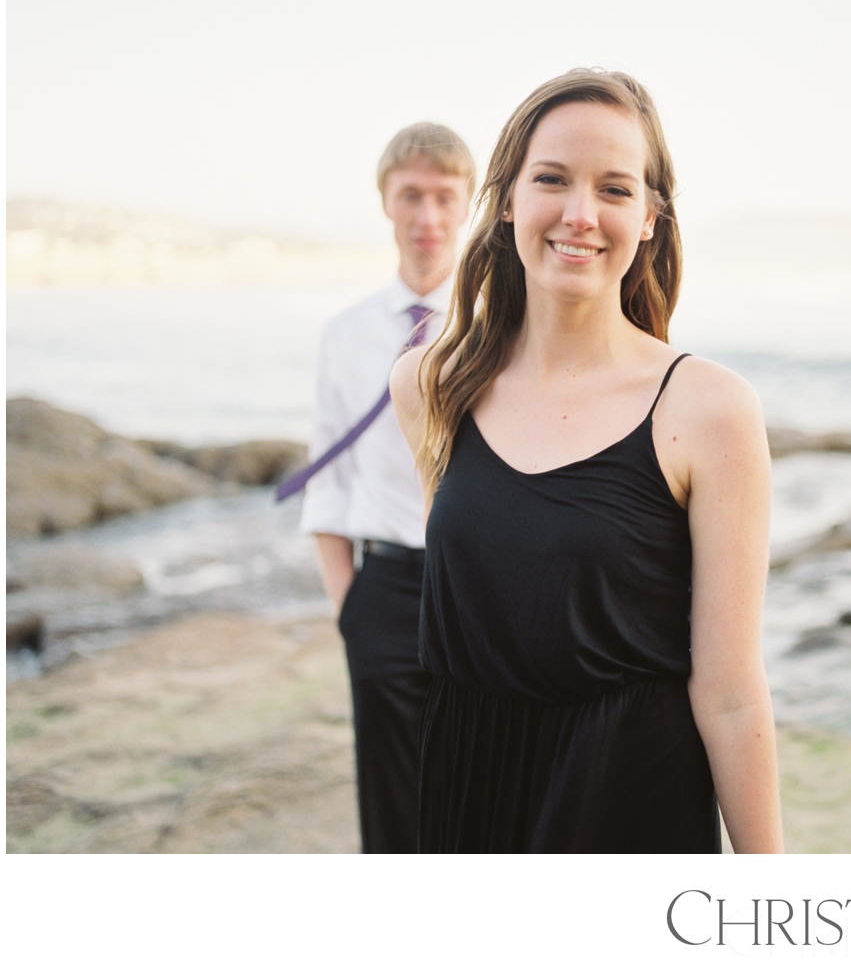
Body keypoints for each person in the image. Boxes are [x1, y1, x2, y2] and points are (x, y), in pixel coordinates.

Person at [391, 70, 783, 853]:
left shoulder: (708, 411)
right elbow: (477, 611)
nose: (579, 214)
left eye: (613, 188)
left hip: (628, 808)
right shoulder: (431, 384)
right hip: (469, 797)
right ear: (506, 200)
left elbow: (733, 693)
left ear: (648, 219)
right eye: (552, 180)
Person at [297, 122, 474, 853]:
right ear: (385, 203)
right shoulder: (344, 334)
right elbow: (327, 481)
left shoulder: (503, 322)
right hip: (386, 589)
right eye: (410, 196)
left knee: (485, 784)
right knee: (393, 805)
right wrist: (351, 611)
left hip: (479, 590)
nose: (426, 217)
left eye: (443, 197)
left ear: (468, 204)